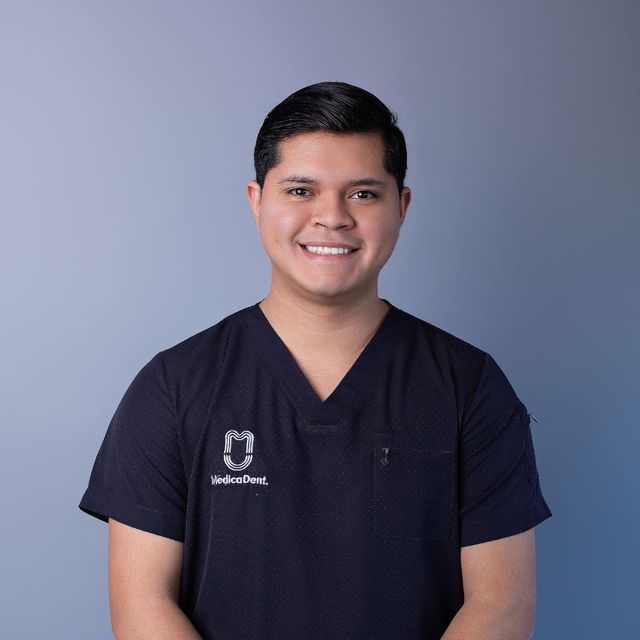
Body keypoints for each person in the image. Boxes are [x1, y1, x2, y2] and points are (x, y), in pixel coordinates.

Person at [79, 81, 552, 640]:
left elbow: (502, 603)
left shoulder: (469, 385)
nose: (332, 217)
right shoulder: (173, 387)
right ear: (257, 200)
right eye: (301, 190)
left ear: (401, 206)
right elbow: (141, 606)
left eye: (364, 194)